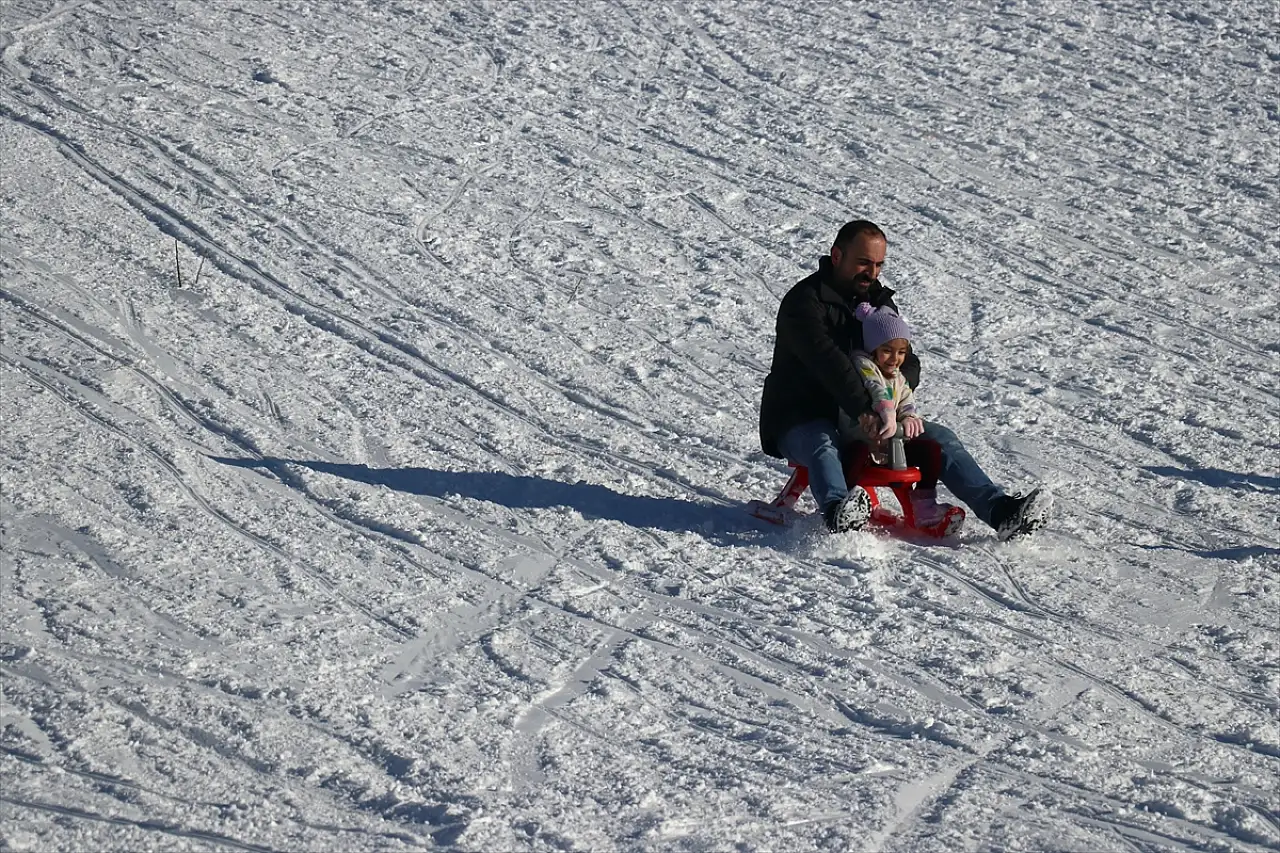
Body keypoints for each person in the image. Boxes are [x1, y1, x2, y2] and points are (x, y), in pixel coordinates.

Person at [758, 219, 1051, 538]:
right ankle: (838, 512)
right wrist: (866, 410)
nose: (872, 272)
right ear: (837, 256)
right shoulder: (804, 303)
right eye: (863, 262)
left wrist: (893, 404)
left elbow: (906, 360)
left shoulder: (877, 300)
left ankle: (1000, 511)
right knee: (822, 443)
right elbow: (829, 366)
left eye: (878, 264)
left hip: (868, 417)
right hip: (800, 416)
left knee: (941, 438)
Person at [847, 302, 958, 529]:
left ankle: (924, 506)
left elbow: (906, 398)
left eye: (901, 352)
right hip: (862, 439)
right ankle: (845, 504)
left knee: (931, 450)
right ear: (873, 349)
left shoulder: (897, 376)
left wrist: (908, 417)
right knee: (854, 455)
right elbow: (875, 386)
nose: (894, 359)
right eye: (887, 350)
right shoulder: (863, 363)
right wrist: (886, 411)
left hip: (890, 446)